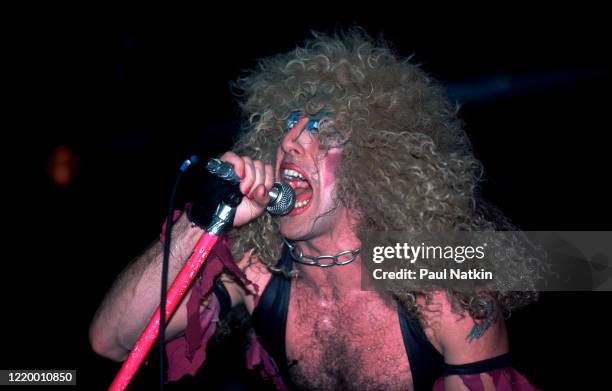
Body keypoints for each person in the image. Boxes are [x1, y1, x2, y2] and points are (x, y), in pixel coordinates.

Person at [90, 29, 540, 390]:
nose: (290, 142)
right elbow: (112, 340)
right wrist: (205, 217)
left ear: (376, 160)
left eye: (321, 128)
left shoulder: (444, 292)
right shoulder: (257, 273)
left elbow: (592, 263)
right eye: (287, 127)